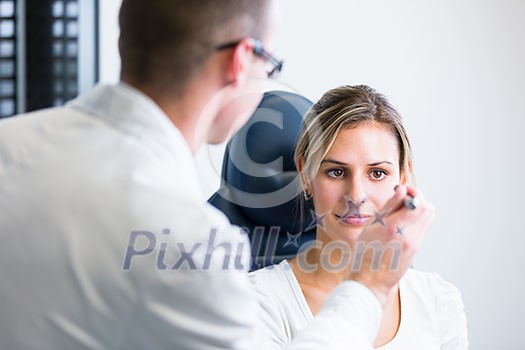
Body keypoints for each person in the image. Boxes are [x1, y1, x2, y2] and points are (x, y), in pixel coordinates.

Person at [0, 1, 433, 348]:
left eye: (377, 172)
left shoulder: (8, 145)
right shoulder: (191, 244)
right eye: (271, 63)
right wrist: (369, 286)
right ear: (243, 60)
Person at [250, 85, 469, 349]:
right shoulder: (258, 302)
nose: (356, 195)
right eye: (336, 172)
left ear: (402, 176)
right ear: (305, 175)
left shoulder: (439, 301)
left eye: (377, 173)